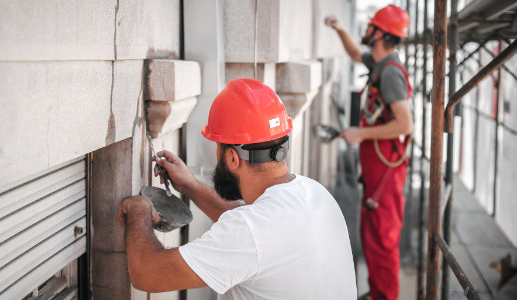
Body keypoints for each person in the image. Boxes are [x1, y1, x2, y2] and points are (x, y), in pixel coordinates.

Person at [118, 78, 357, 299]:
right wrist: (190, 185)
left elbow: (147, 272)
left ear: (232, 158)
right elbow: (256, 235)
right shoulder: (315, 193)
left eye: (218, 147)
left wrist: (139, 209)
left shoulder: (251, 232)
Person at [325, 5, 412, 300]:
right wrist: (339, 30)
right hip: (377, 168)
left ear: (380, 34)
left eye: (371, 26)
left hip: (387, 171)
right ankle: (377, 293)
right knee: (373, 234)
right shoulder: (379, 65)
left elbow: (404, 123)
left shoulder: (390, 73)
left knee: (383, 238)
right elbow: (353, 54)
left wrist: (360, 133)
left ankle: (385, 296)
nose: (366, 30)